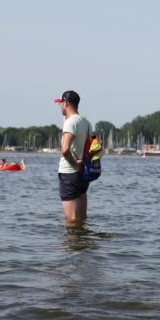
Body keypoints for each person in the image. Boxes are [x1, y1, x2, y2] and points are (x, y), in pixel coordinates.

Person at [56, 90, 93, 226]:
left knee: (72, 220)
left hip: (69, 174)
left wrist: (74, 163)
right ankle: (82, 245)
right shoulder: (86, 122)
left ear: (66, 103)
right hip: (82, 175)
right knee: (81, 218)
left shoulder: (71, 123)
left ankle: (72, 246)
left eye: (61, 103)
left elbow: (65, 149)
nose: (60, 106)